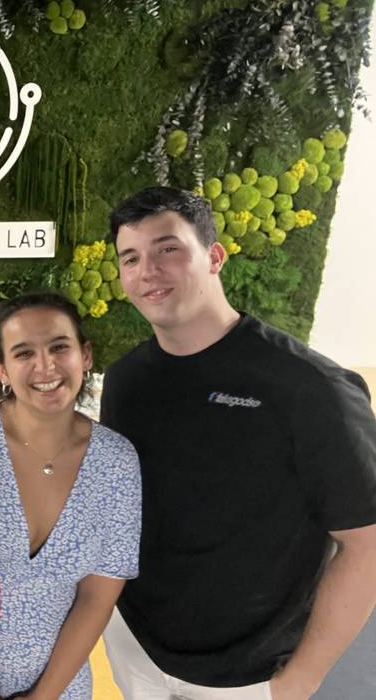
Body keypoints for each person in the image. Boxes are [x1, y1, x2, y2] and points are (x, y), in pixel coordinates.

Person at [101, 186, 376, 699]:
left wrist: (301, 679)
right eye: (131, 258)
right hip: (136, 644)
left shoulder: (310, 387)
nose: (148, 271)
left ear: (214, 256)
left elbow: (368, 543)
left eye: (168, 249)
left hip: (248, 673)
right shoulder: (126, 381)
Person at [0, 292, 142, 699]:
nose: (45, 366)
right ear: (3, 370)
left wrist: (42, 696)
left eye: (59, 347)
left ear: (85, 355)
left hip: (60, 685)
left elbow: (97, 598)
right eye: (24, 353)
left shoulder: (117, 461)